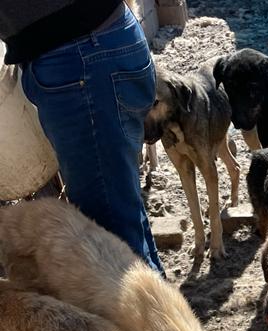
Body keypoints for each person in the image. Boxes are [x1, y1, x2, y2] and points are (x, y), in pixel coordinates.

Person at [0, 1, 163, 272]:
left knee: (113, 251)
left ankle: (152, 313)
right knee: (123, 224)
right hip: (95, 50)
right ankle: (162, 310)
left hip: (82, 62)